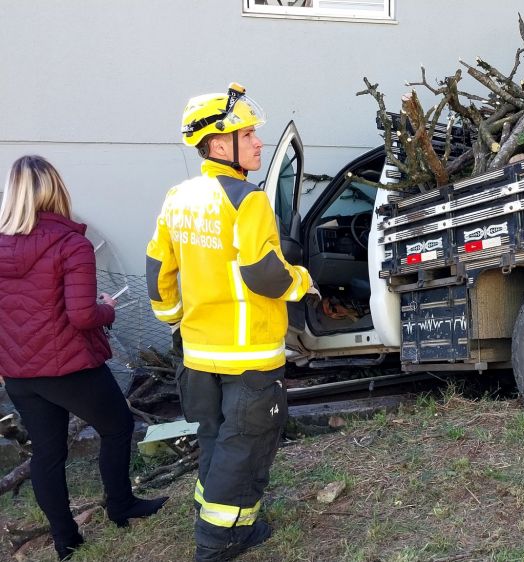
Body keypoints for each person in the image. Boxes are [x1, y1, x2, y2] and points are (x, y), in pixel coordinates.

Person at [146, 83, 313, 562]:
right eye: (249, 134)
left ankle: (244, 527)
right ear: (220, 145)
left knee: (216, 440)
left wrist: (179, 322)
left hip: (197, 354)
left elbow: (159, 277)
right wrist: (302, 281)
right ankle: (217, 543)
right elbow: (264, 276)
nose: (258, 141)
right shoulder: (249, 200)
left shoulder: (178, 197)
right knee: (246, 446)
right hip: (248, 357)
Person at [0, 155, 167, 561]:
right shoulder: (72, 244)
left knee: (47, 452)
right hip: (69, 366)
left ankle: (66, 540)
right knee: (118, 426)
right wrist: (106, 307)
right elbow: (81, 315)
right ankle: (121, 505)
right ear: (57, 190)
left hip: (20, 373)